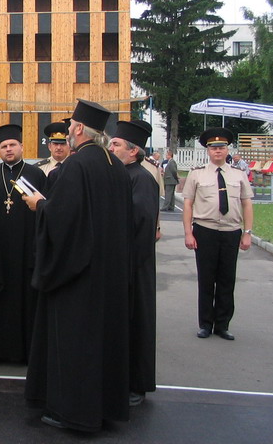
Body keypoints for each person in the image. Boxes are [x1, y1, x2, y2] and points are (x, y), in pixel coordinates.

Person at [21, 99, 132, 432]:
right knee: (102, 345)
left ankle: (74, 413)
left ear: (80, 128)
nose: (68, 131)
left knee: (76, 345)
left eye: (70, 126)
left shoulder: (77, 165)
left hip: (79, 278)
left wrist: (40, 205)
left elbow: (64, 220)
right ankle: (103, 408)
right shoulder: (114, 165)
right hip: (109, 274)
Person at [0, 123, 45, 364]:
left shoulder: (36, 175)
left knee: (24, 301)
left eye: (12, 145)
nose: (8, 149)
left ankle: (24, 353)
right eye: (4, 146)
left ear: (22, 147)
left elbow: (45, 214)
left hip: (26, 251)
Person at [182, 127, 253, 341]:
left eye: (221, 147)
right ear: (208, 151)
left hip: (231, 232)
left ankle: (222, 325)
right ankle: (205, 324)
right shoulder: (197, 174)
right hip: (205, 231)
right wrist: (188, 233)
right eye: (213, 148)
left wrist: (247, 232)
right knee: (206, 279)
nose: (218, 151)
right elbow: (188, 204)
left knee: (227, 280)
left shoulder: (238, 174)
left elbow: (247, 204)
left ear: (228, 149)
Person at [108, 121, 160, 406]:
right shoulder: (120, 175)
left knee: (136, 325)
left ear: (133, 151)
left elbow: (141, 227)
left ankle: (136, 385)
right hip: (120, 264)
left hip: (134, 267)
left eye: (116, 144)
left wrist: (124, 264)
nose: (110, 147)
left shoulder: (141, 179)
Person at [35, 121, 70, 192]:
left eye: (63, 144)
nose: (59, 148)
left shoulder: (74, 166)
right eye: (55, 144)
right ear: (49, 146)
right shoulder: (39, 168)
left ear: (69, 146)